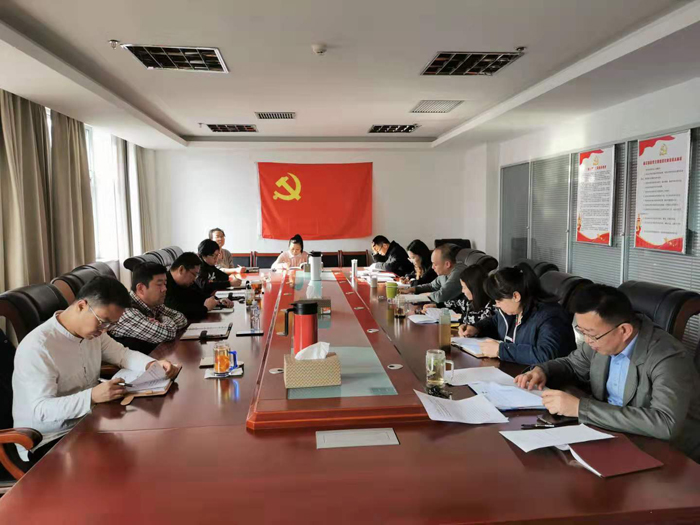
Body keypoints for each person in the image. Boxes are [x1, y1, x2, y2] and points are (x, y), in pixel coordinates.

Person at [515, 284, 700, 462]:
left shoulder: (667, 357)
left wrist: (581, 408)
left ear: (624, 331)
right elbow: (571, 364)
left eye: (591, 334)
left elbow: (665, 423)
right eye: (582, 331)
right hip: (611, 434)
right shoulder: (600, 340)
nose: (587, 341)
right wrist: (542, 371)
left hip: (667, 454)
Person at [12, 276, 178, 462]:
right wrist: (91, 396)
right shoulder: (38, 347)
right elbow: (40, 410)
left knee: (150, 446)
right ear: (81, 306)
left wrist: (152, 364)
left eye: (111, 324)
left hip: (90, 421)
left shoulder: (94, 332)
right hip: (48, 440)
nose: (105, 329)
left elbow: (122, 354)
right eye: (103, 321)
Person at [462, 263, 575, 364]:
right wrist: (476, 328)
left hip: (544, 378)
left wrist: (501, 350)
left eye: (499, 301)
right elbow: (495, 321)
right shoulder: (514, 310)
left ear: (516, 296)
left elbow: (546, 355)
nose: (497, 305)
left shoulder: (551, 316)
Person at [108, 262, 188, 354]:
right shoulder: (126, 311)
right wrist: (163, 321)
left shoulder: (153, 304)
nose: (165, 289)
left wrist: (161, 319)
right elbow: (167, 333)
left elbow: (181, 319)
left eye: (165, 284)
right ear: (141, 288)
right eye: (159, 284)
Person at [165, 252, 231, 321]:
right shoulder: (164, 284)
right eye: (194, 274)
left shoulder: (186, 283)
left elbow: (200, 295)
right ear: (181, 270)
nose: (194, 279)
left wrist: (218, 301)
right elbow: (177, 311)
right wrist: (205, 308)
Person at [457, 265, 496, 334]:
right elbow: (465, 321)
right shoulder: (470, 303)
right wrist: (462, 326)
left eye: (464, 287)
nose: (462, 291)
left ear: (474, 288)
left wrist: (475, 329)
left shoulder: (493, 307)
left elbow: (488, 327)